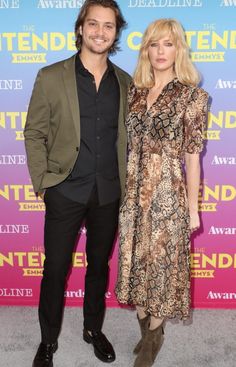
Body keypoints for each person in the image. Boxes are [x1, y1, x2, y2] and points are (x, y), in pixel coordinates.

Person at [24, 1, 131, 366]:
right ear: (81, 28)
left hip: (108, 192)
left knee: (99, 266)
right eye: (94, 24)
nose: (101, 32)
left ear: (116, 33)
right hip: (65, 189)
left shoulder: (126, 83)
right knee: (55, 268)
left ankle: (92, 329)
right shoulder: (51, 76)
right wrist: (43, 183)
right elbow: (34, 132)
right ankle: (48, 341)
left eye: (109, 26)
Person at [115, 18, 209, 367]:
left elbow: (193, 158)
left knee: (161, 270)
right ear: (146, 50)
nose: (160, 51)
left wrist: (193, 209)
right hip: (134, 194)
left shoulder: (192, 96)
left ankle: (153, 341)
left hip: (168, 196)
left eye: (167, 44)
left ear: (178, 49)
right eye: (154, 44)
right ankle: (147, 333)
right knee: (136, 266)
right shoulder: (134, 91)